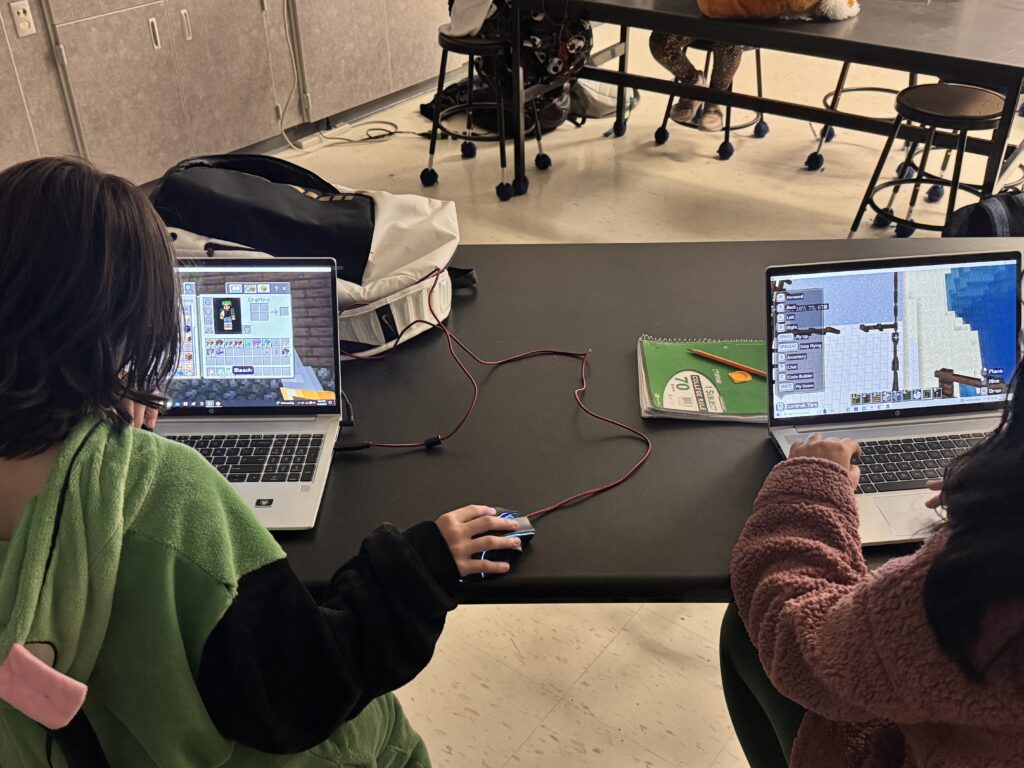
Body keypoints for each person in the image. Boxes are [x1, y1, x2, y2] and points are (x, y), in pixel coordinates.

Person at [0, 156, 524, 766]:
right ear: (125, 329)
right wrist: (419, 568)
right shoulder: (163, 492)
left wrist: (97, 392)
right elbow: (300, 691)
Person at [721, 369, 1024, 767]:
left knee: (745, 630)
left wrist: (808, 483)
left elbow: (807, 645)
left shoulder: (984, 584)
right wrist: (1000, 491)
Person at [648, 34, 745, 131]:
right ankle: (694, 82)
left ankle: (716, 98)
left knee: (731, 37)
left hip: (740, 29)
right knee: (660, 40)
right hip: (700, 25)